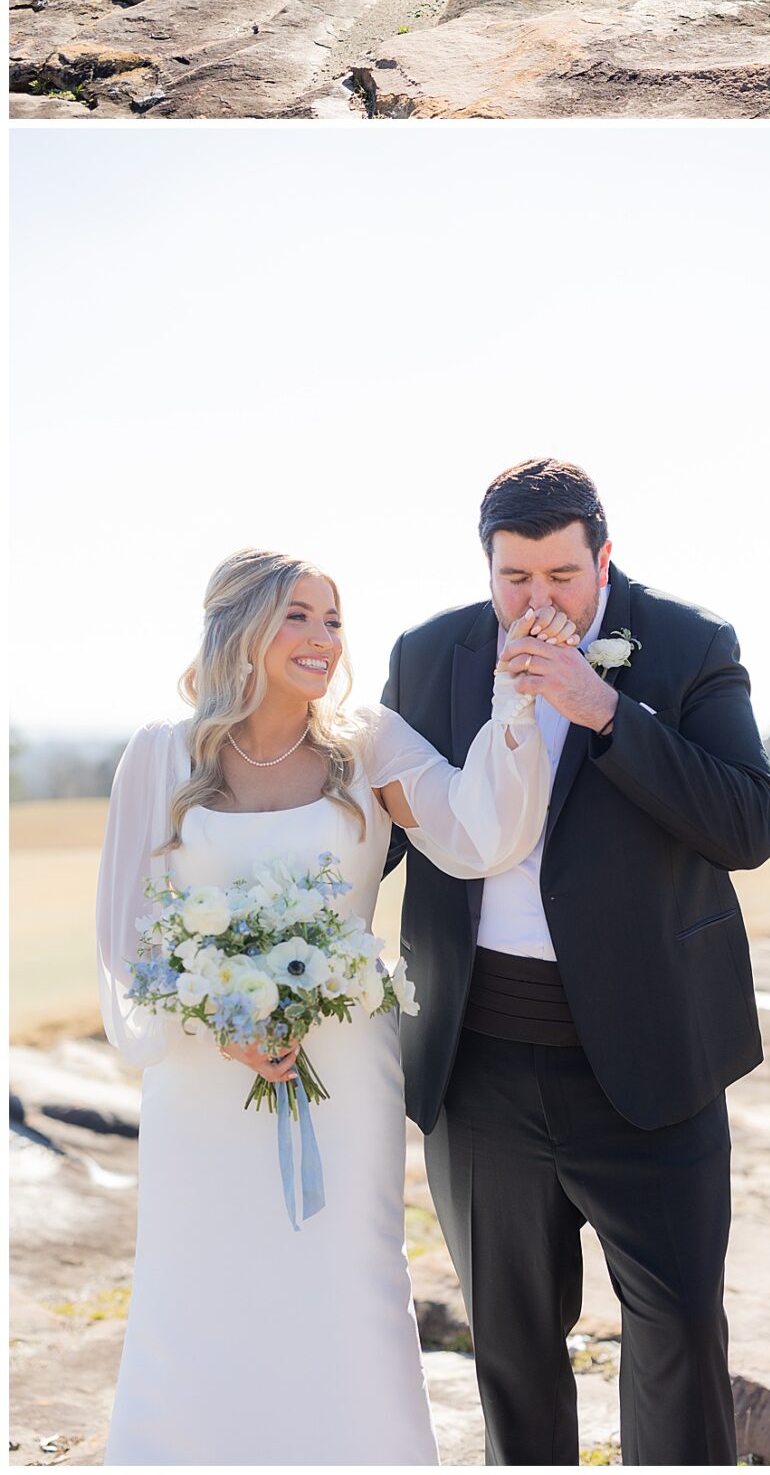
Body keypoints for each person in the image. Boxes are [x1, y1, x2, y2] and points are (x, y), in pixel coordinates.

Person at [96, 549, 552, 1465]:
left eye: (333, 620)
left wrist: (516, 707)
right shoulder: (161, 753)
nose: (321, 638)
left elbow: (476, 833)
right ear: (240, 626)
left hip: (343, 1070)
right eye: (297, 616)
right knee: (199, 1282)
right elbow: (127, 935)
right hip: (199, 1079)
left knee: (345, 1281)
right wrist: (214, 1022)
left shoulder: (366, 742)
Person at [382, 457, 770, 1467]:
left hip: (653, 1054)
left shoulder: (689, 643)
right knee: (511, 1344)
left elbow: (748, 824)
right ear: (488, 568)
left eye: (562, 575)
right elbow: (374, 831)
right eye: (515, 578)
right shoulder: (429, 655)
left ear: (604, 556)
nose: (538, 602)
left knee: (681, 1328)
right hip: (477, 1063)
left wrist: (605, 709)